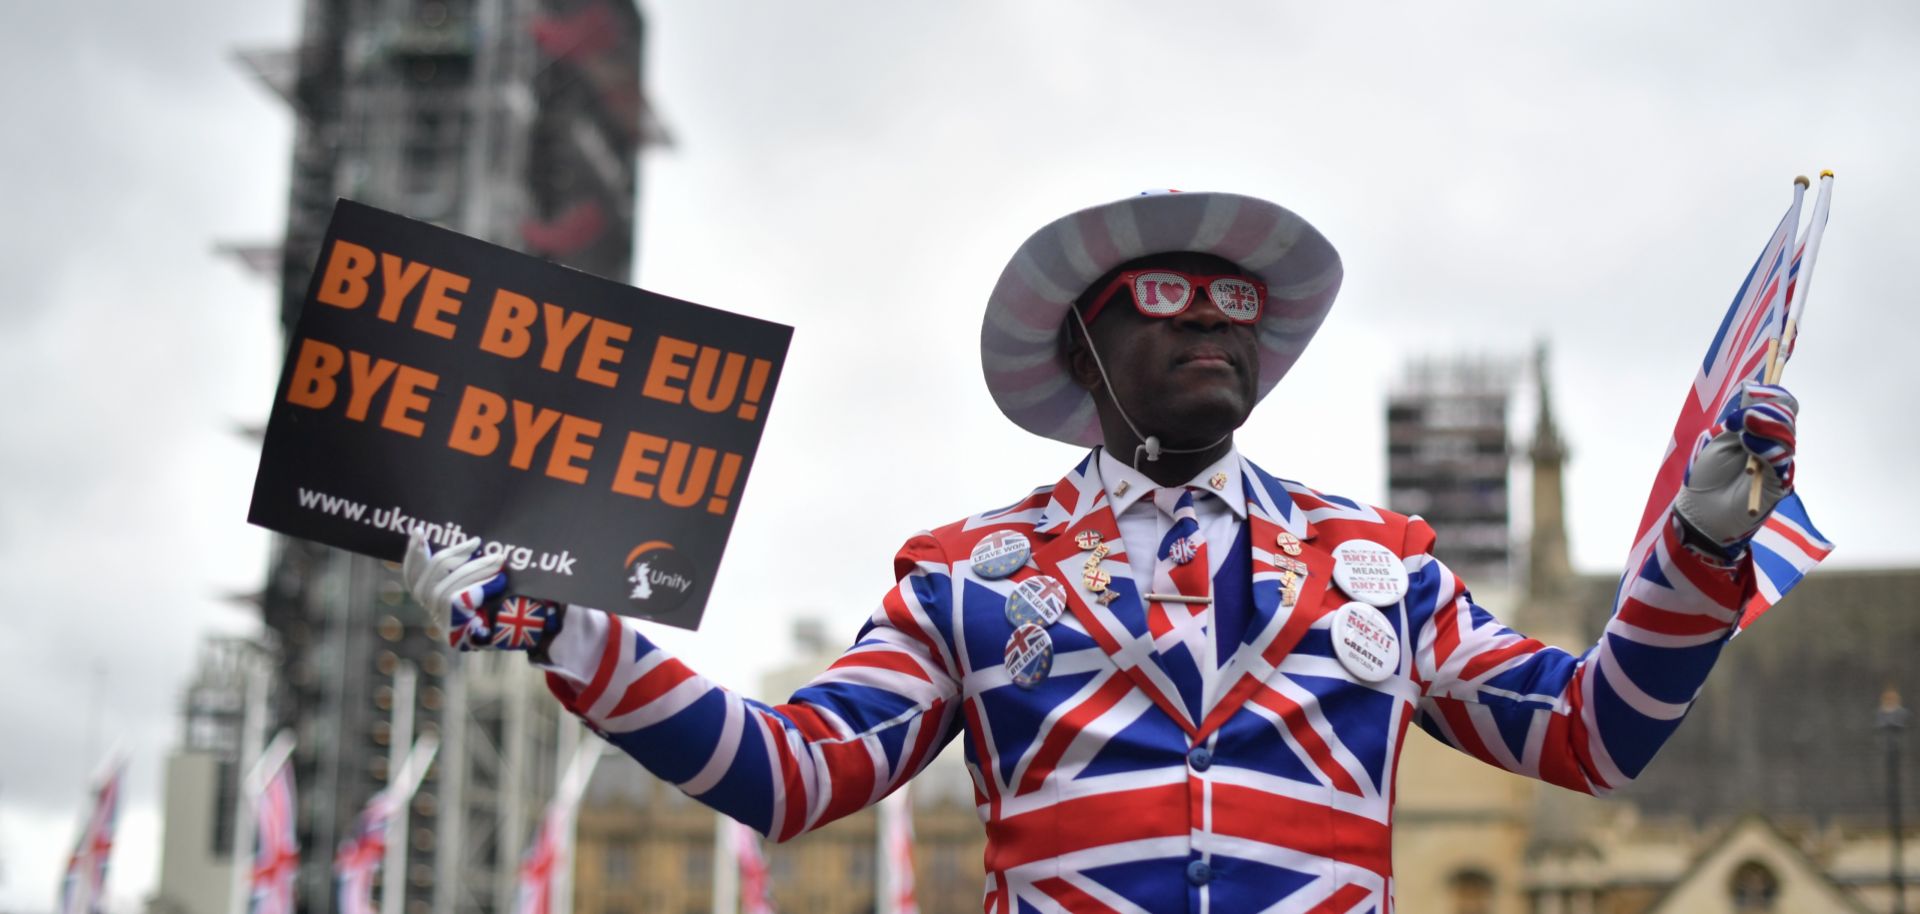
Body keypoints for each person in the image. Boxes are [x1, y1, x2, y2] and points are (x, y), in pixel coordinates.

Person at [404, 190, 1800, 912]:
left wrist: (1696, 547)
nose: (1211, 323)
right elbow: (793, 772)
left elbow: (1588, 736)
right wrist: (572, 631)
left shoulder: (1377, 560)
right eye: (1170, 299)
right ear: (1085, 346)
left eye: (1236, 308)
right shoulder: (974, 576)